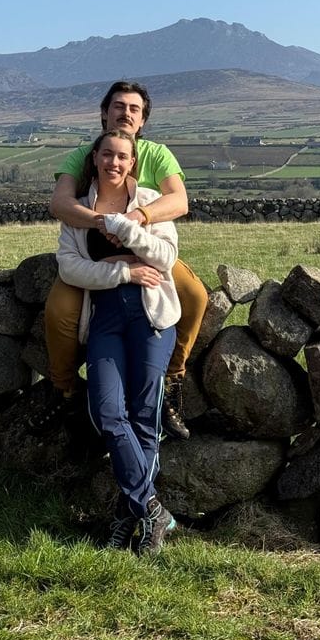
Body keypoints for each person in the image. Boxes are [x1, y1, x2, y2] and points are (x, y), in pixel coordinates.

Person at [31, 80, 207, 439]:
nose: (125, 113)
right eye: (118, 106)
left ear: (142, 120)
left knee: (195, 297)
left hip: (147, 248)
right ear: (103, 113)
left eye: (134, 109)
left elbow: (179, 202)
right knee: (59, 311)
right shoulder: (84, 154)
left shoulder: (158, 154)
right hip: (91, 252)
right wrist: (102, 222)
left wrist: (137, 219)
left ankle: (171, 382)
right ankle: (63, 390)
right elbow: (60, 203)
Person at [56, 129, 179, 554]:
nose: (114, 162)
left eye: (122, 156)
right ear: (94, 158)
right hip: (105, 316)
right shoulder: (78, 209)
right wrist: (123, 271)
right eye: (106, 154)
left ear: (132, 163)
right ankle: (152, 508)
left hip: (151, 317)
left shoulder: (149, 202)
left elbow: (165, 259)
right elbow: (70, 267)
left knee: (145, 415)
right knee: (108, 411)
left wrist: (125, 230)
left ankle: (131, 520)